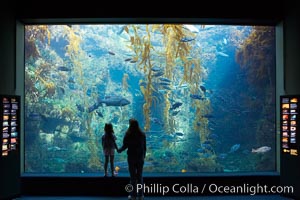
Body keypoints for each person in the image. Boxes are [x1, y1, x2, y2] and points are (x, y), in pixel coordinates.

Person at [118, 118, 146, 200]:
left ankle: (133, 195)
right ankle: (140, 195)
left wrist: (119, 150)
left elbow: (125, 146)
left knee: (133, 177)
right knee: (140, 176)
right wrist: (143, 156)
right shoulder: (142, 134)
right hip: (140, 158)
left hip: (131, 158)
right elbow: (144, 147)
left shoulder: (128, 134)